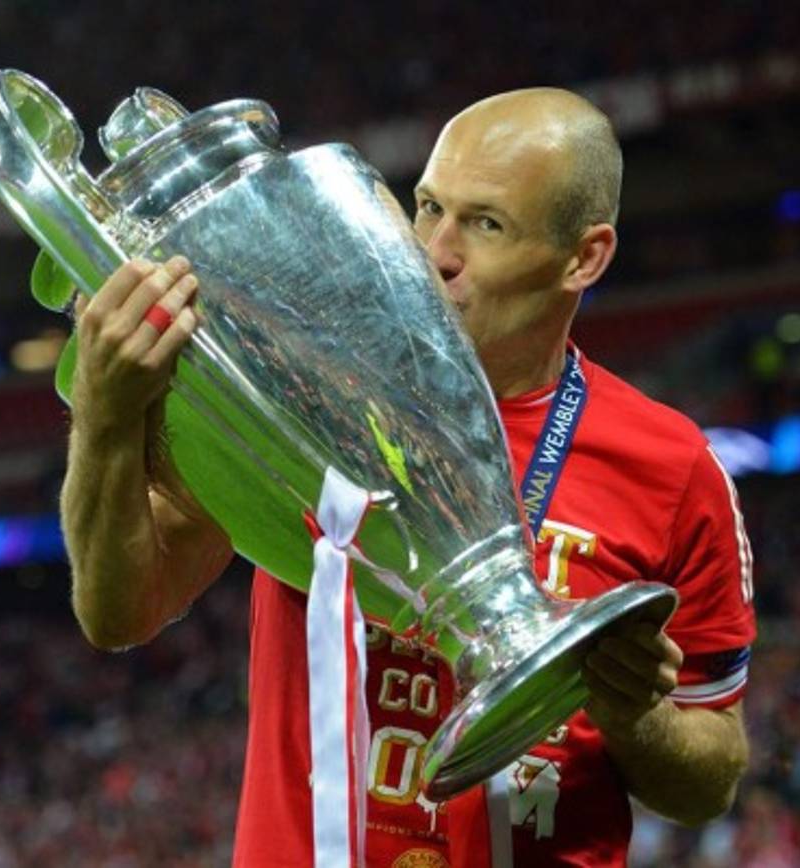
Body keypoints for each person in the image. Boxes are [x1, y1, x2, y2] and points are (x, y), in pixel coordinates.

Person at [61, 88, 756, 867]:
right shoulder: (296, 389)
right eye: (428, 208)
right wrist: (103, 417)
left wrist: (635, 715)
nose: (436, 252)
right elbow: (119, 612)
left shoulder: (670, 468)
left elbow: (709, 781)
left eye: (486, 225)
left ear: (583, 258)